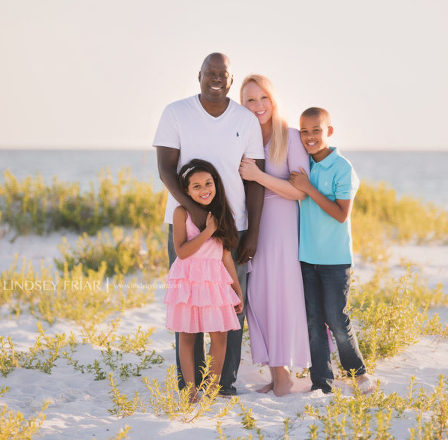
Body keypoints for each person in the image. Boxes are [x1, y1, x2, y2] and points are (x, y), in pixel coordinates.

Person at [153, 53, 265, 396]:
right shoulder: (176, 112)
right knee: (190, 302)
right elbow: (166, 170)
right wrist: (198, 216)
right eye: (210, 72)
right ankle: (189, 385)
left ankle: (222, 384)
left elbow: (255, 180)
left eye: (223, 74)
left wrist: (253, 233)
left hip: (236, 226)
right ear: (198, 75)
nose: (216, 78)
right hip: (188, 226)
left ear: (231, 80)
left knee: (229, 304)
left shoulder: (245, 120)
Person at [289, 107, 374, 394]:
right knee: (313, 321)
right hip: (306, 257)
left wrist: (309, 188)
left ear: (329, 132)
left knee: (337, 319)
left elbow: (341, 214)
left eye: (316, 130)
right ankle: (321, 382)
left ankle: (357, 372)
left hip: (335, 260)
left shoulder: (342, 168)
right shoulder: (303, 163)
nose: (310, 137)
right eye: (304, 131)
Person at [237, 75, 311, 396]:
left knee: (281, 295)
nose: (258, 106)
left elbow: (299, 192)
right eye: (250, 100)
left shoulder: (290, 137)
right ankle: (276, 372)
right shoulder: (242, 137)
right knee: (259, 297)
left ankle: (285, 375)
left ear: (273, 99)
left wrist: (258, 175)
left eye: (263, 98)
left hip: (281, 227)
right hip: (253, 224)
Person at [164, 159, 244, 402]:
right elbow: (182, 251)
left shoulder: (222, 213)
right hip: (188, 280)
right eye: (196, 186)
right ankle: (190, 391)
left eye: (208, 183)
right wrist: (208, 231)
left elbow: (226, 256)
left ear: (216, 185)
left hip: (214, 281)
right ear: (186, 191)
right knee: (188, 335)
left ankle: (212, 386)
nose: (204, 189)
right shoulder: (181, 213)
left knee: (220, 335)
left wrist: (237, 290)